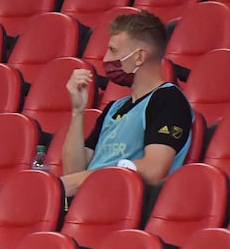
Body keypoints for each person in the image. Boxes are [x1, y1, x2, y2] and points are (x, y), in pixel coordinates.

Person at [54, 11, 193, 199]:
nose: (105, 60)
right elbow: (73, 172)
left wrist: (84, 181)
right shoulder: (114, 108)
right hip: (84, 202)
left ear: (139, 57)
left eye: (113, 51)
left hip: (121, 202)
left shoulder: (168, 100)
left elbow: (153, 170)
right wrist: (77, 112)